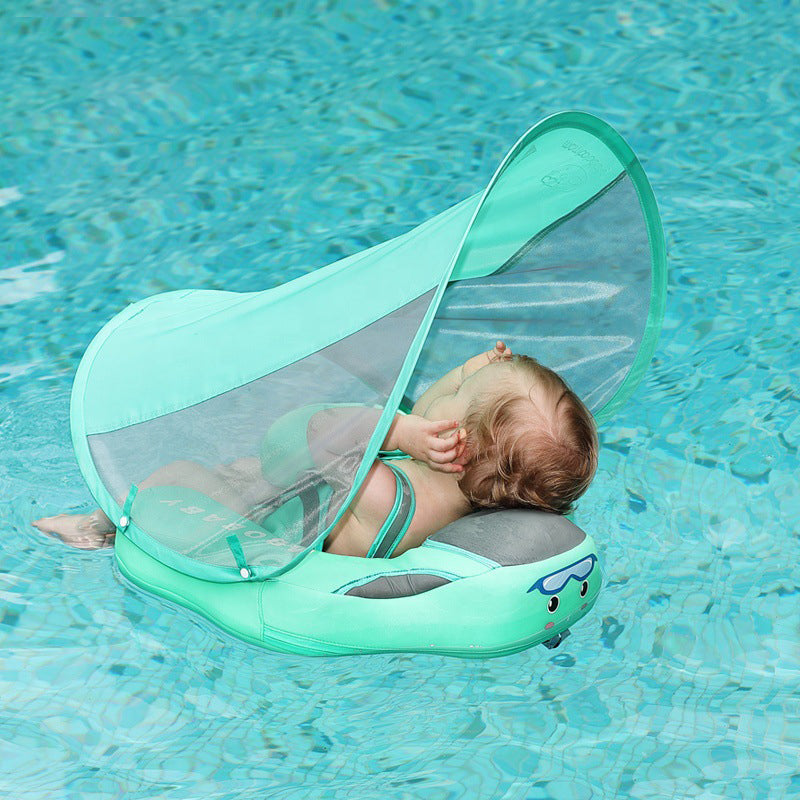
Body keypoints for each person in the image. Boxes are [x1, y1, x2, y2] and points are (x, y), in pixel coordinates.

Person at [33, 342, 598, 557]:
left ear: (455, 445)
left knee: (180, 472)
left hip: (261, 527)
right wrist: (476, 377)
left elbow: (291, 440)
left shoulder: (383, 490)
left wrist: (396, 431)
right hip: (305, 499)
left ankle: (101, 529)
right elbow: (432, 411)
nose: (445, 383)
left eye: (456, 386)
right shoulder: (452, 497)